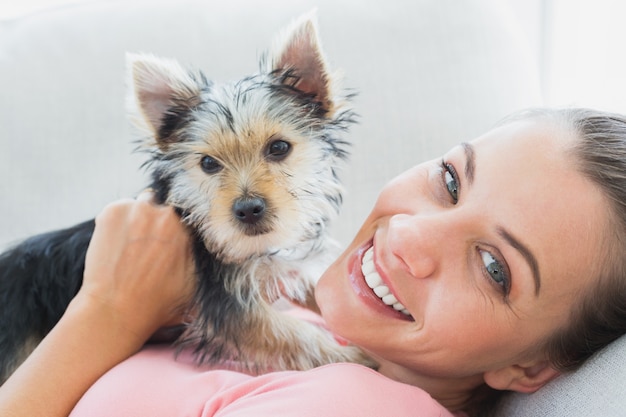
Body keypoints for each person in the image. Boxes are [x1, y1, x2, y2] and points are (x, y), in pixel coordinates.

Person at [1, 107, 626, 417]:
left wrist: (106, 314)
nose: (407, 236)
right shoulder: (313, 319)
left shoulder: (360, 407)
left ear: (531, 367)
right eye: (449, 181)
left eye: (494, 268)